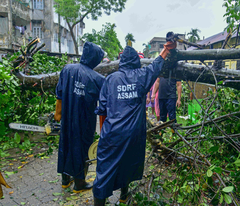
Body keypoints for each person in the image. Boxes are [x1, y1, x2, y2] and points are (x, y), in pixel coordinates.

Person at [93, 40, 176, 206]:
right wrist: (165, 51)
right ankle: (124, 195)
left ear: (122, 62)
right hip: (133, 134)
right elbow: (155, 67)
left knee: (105, 170)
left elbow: (102, 109)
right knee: (128, 162)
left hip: (112, 133)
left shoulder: (111, 79)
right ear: (136, 62)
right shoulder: (141, 76)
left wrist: (104, 133)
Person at [54, 42, 105, 193]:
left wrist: (58, 114)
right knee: (82, 149)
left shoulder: (67, 69)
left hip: (68, 118)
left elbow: (60, 94)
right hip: (84, 121)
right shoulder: (98, 79)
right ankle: (79, 183)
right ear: (95, 59)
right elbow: (104, 104)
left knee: (66, 144)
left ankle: (65, 180)